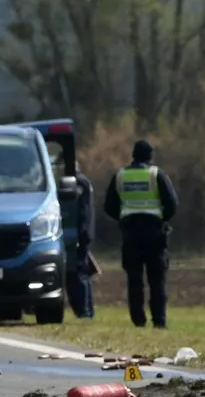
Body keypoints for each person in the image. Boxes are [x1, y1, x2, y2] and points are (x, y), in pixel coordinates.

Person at [103, 139, 178, 328]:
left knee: (134, 280)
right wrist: (162, 219)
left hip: (130, 233)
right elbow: (172, 204)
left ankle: (138, 321)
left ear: (133, 155)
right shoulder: (156, 174)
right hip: (154, 233)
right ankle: (159, 321)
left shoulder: (120, 176)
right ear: (150, 156)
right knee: (157, 280)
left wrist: (123, 218)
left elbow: (109, 206)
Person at [65, 161, 96, 318]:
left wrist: (81, 234)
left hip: (79, 233)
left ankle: (84, 312)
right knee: (82, 272)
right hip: (83, 232)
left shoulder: (77, 183)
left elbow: (82, 212)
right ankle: (87, 311)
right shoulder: (83, 181)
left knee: (78, 274)